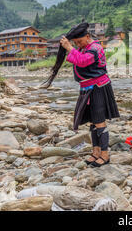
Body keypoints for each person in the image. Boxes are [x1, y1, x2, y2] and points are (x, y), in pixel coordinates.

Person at [41, 22, 120, 168]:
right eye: (76, 43)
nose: (78, 45)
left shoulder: (95, 48)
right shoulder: (84, 48)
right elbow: (77, 57)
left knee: (100, 121)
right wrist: (73, 48)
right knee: (93, 122)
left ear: (88, 36)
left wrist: (69, 48)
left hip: (98, 87)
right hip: (87, 88)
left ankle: (105, 154)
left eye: (80, 41)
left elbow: (82, 62)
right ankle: (95, 152)